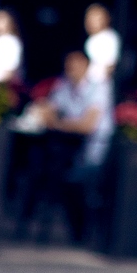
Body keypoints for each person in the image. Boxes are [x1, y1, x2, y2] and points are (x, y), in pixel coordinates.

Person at [36, 50, 113, 242]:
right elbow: (46, 112)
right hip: (68, 150)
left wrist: (60, 123)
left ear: (86, 66)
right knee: (43, 169)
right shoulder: (63, 85)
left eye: (76, 65)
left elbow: (87, 126)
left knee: (71, 180)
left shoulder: (100, 87)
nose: (72, 70)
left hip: (95, 152)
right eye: (68, 66)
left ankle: (83, 233)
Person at [82, 4, 119, 83]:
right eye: (89, 19)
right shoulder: (93, 39)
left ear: (106, 19)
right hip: (91, 82)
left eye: (96, 19)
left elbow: (110, 65)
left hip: (103, 83)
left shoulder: (109, 38)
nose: (91, 23)